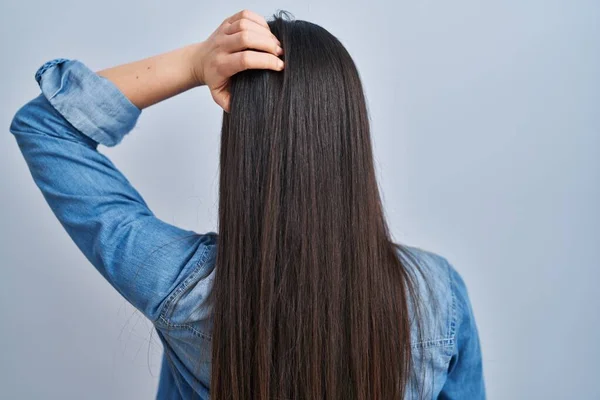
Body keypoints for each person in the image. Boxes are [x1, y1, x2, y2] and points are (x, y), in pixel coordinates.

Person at [9, 9, 486, 400]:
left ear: (242, 145)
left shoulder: (184, 286)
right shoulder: (436, 294)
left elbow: (47, 126)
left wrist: (196, 63)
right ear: (350, 135)